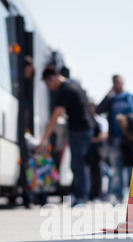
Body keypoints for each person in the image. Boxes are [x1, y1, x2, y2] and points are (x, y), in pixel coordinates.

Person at [38, 66, 93, 205]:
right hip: (82, 129)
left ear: (52, 78)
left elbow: (53, 119)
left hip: (80, 131)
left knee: (78, 164)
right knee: (77, 164)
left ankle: (82, 197)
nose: (49, 87)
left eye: (48, 83)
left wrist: (43, 140)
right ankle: (81, 196)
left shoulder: (66, 90)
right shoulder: (72, 85)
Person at [96, 75, 133, 203]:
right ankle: (118, 196)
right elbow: (99, 110)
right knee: (117, 168)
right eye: (115, 82)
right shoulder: (111, 100)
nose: (117, 84)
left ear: (123, 82)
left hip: (132, 140)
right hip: (115, 139)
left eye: (119, 82)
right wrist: (108, 94)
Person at [86, 102, 109, 201]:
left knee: (97, 172)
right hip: (87, 149)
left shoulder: (101, 120)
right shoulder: (85, 120)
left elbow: (104, 135)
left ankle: (97, 194)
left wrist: (92, 139)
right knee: (86, 172)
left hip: (98, 149)